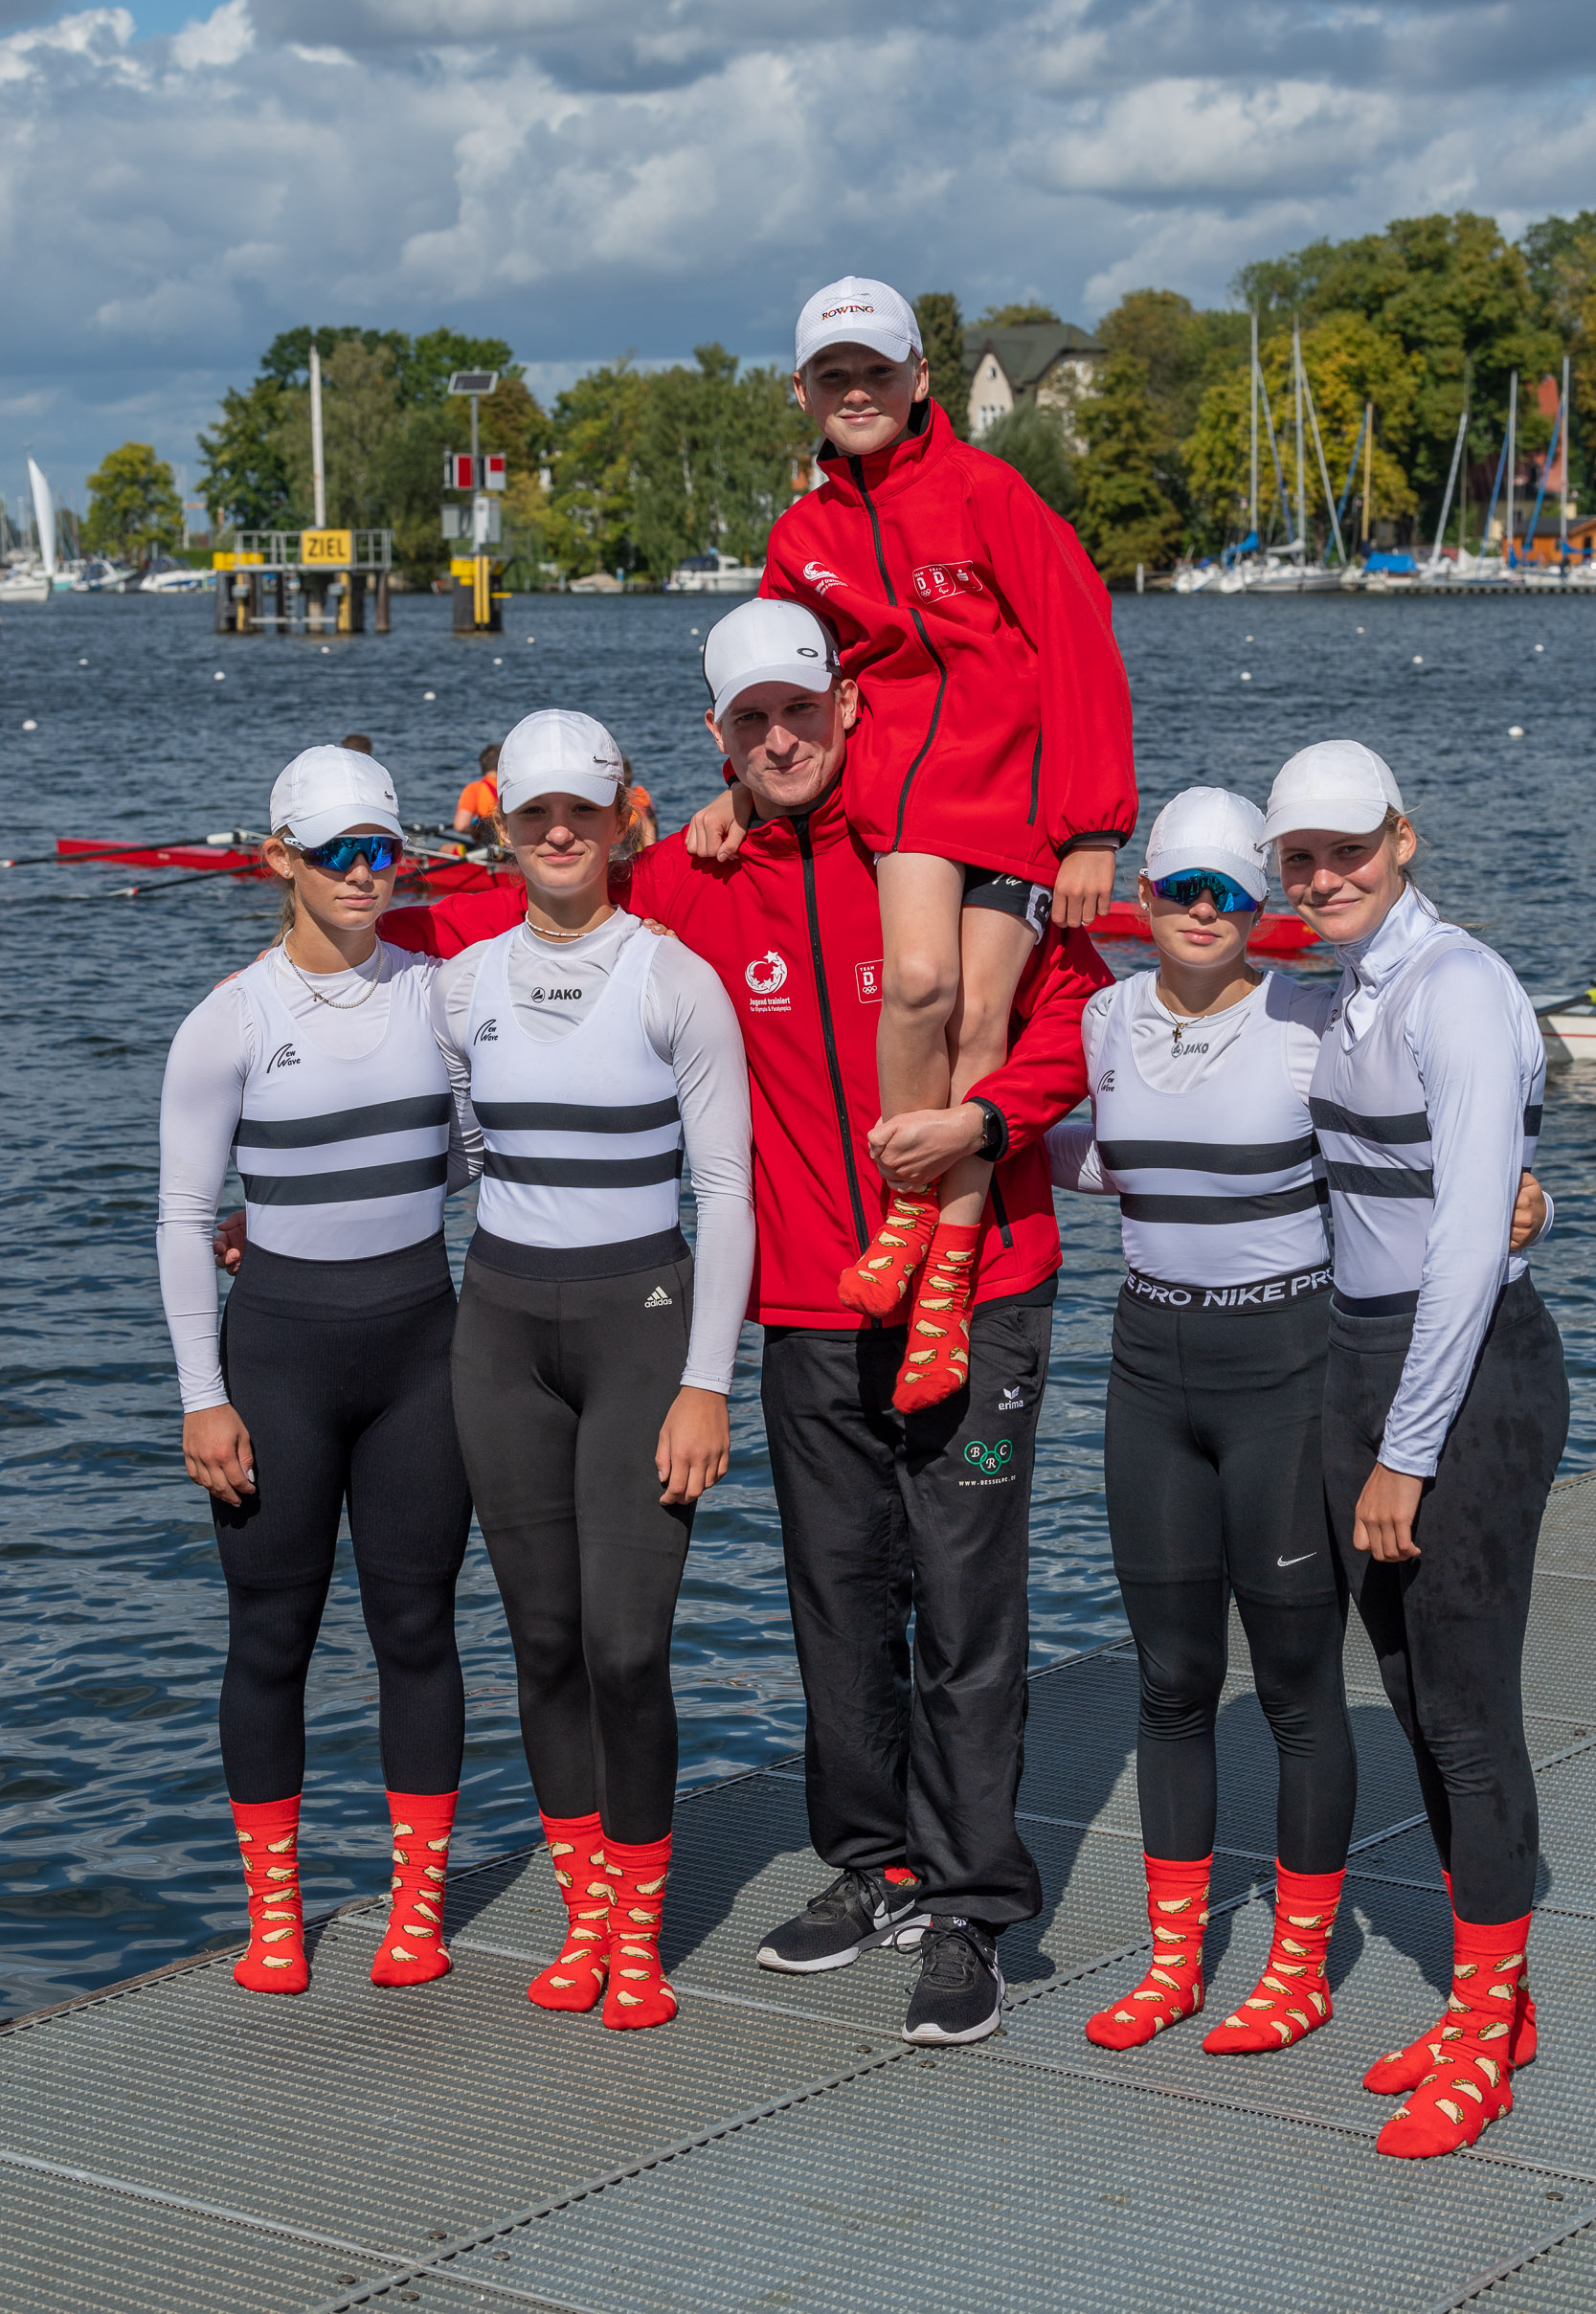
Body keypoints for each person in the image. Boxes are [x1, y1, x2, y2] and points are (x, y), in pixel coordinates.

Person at [384, 604, 1111, 2048]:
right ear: (712, 739)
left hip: (977, 1282)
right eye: (746, 723)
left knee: (962, 1610)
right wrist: (354, 926)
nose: (777, 741)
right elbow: (525, 911)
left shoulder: (931, 846)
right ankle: (868, 1865)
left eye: (797, 712)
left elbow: (1069, 1001)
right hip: (803, 1301)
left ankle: (967, 1906)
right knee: (836, 1603)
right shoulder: (692, 881)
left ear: (843, 707)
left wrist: (984, 1116)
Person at [1039, 787, 1547, 2062]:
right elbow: (1094, 1152)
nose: (1203, 912)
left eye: (1227, 891)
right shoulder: (1102, 1021)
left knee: (1296, 1685)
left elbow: (1401, 1151)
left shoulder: (1307, 1015)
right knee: (1167, 1681)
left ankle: (1295, 1969)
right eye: (1178, 890)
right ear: (1144, 899)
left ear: (1254, 908)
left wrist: (1504, 1206)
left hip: (1283, 1363)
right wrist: (971, 1149)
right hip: (1147, 1367)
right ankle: (1172, 1964)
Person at [690, 280, 1135, 1407]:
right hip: (906, 794)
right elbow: (777, 687)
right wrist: (734, 792)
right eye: (833, 377)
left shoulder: (990, 495)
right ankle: (905, 1211)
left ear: (919, 379)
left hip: (1019, 798)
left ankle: (946, 1273)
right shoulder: (801, 536)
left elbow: (1078, 643)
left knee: (986, 1016)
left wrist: (1091, 828)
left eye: (876, 373)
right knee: (922, 987)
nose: (856, 393)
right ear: (801, 392)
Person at [1263, 738, 1567, 2162]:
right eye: (1299, 858)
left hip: (1464, 1375)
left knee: (1462, 1711)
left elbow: (1460, 1245)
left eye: (1345, 850)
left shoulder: (1457, 989)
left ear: (1400, 839)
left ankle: (1494, 2026)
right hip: (1354, 1352)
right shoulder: (1327, 985)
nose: (1322, 876)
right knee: (1401, 1680)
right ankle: (1476, 2006)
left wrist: (1404, 1450)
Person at [437, 708, 754, 2032]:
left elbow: (727, 1190)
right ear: (500, 828)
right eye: (533, 816)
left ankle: (639, 1928)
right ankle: (583, 1918)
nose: (558, 833)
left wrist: (704, 1381)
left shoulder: (674, 980)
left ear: (625, 821)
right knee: (544, 1641)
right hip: (500, 1328)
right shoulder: (465, 985)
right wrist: (268, 1221)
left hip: (640, 1323)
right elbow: (453, 1161)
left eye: (582, 812)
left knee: (627, 1648)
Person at [157, 744, 473, 1996]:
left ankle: (415, 1912)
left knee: (416, 1628)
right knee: (270, 1636)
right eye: (335, 851)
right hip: (275, 1360)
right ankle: (273, 1923)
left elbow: (472, 1164)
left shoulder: (440, 1000)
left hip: (418, 1351)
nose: (361, 873)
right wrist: (201, 1395)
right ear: (281, 859)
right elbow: (184, 1219)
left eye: (380, 850)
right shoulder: (226, 1021)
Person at [453, 743, 501, 841]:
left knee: (445, 848)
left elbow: (461, 826)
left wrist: (476, 831)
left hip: (490, 849)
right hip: (513, 847)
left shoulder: (475, 789)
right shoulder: (512, 787)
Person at [623, 756, 660, 847]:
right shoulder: (640, 794)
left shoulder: (627, 803)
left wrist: (651, 859)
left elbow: (647, 827)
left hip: (642, 855)